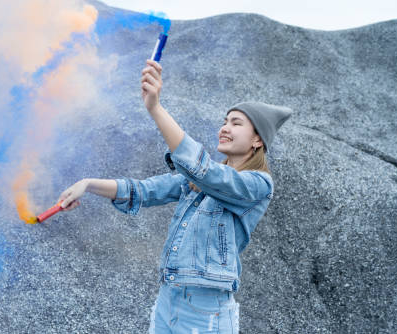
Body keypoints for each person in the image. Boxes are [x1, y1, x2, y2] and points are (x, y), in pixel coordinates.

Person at [57, 59, 292, 333]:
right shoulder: (197, 182)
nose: (225, 127)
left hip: (205, 313)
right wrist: (88, 184)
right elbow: (143, 191)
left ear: (257, 140)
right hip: (168, 300)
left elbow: (202, 167)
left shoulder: (257, 185)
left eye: (236, 123)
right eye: (225, 121)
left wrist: (155, 108)